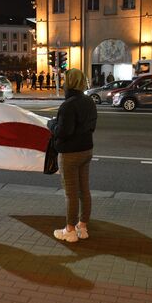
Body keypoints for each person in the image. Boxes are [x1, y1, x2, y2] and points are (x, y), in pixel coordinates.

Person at [47, 69, 97, 243]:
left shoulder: (68, 105)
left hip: (70, 154)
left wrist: (52, 124)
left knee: (71, 194)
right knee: (84, 190)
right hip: (86, 151)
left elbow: (63, 132)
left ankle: (69, 231)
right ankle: (82, 227)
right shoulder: (89, 101)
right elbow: (91, 127)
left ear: (68, 82)